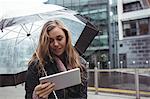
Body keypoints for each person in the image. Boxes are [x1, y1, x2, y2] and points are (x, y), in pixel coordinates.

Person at [25, 20, 87, 99]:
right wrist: (35, 96)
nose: (56, 44)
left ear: (67, 38)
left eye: (59, 38)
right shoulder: (36, 66)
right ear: (44, 42)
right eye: (50, 41)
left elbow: (83, 96)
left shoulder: (80, 63)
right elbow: (28, 95)